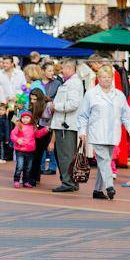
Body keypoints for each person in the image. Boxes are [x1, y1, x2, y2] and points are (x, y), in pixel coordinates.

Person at [77, 66, 130, 200]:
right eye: (103, 77)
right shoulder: (91, 94)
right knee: (105, 160)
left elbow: (126, 114)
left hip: (113, 134)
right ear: (98, 78)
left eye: (109, 77)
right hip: (97, 132)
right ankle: (110, 186)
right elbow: (83, 115)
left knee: (103, 163)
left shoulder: (119, 95)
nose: (106, 80)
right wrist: (82, 130)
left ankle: (97, 190)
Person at [50, 59, 84, 193]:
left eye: (63, 69)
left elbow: (73, 104)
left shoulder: (73, 83)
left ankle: (68, 182)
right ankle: (71, 181)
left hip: (66, 125)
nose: (61, 71)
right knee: (66, 155)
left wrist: (56, 106)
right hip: (65, 124)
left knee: (65, 155)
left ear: (70, 69)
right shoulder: (70, 83)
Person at [11, 111, 48, 188]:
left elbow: (38, 134)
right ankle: (16, 180)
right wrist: (17, 140)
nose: (25, 119)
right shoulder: (19, 126)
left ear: (31, 119)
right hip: (20, 150)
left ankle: (26, 181)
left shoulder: (33, 127)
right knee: (19, 166)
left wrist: (45, 130)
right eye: (23, 118)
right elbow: (13, 135)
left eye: (27, 118)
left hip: (30, 151)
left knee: (28, 168)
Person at [26, 88, 54, 185]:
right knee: (36, 155)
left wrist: (52, 139)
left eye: (34, 99)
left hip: (49, 130)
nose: (32, 101)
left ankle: (34, 177)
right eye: (31, 99)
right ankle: (34, 178)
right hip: (39, 130)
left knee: (40, 155)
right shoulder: (33, 106)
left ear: (40, 98)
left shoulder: (49, 105)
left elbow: (55, 119)